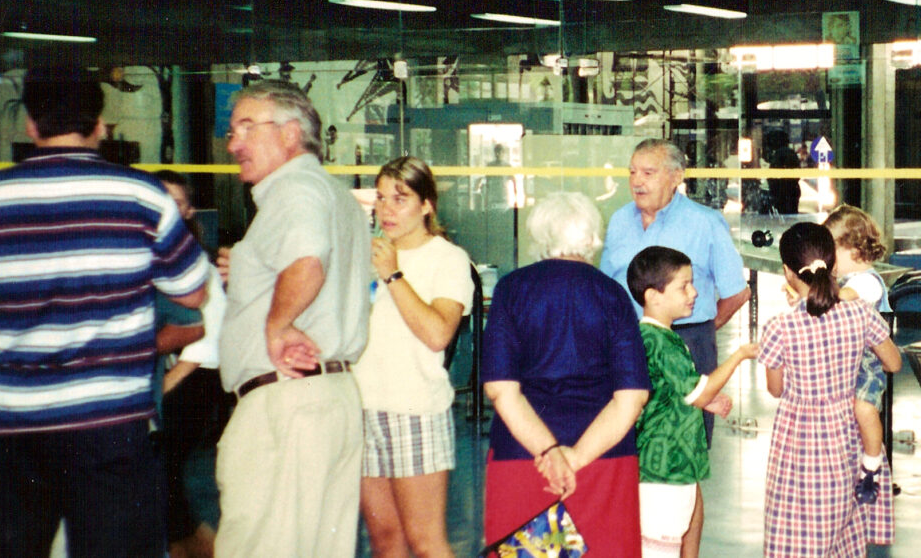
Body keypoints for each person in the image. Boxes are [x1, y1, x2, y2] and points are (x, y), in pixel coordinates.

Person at [0, 67, 210, 558]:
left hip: (10, 427)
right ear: (99, 125)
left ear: (30, 124)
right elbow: (193, 293)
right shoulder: (142, 195)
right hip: (110, 426)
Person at [214, 80, 371, 556]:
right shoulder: (333, 195)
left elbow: (307, 263)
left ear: (289, 134)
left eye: (247, 128)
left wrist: (277, 326)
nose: (234, 144)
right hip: (330, 399)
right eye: (232, 131)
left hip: (284, 405)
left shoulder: (293, 189)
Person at [600, 138, 750, 557]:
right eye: (632, 172)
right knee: (630, 448)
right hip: (627, 344)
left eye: (648, 173)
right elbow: (606, 288)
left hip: (687, 341)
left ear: (676, 177)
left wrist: (697, 331)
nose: (637, 181)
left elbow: (736, 292)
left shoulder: (705, 223)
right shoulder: (619, 221)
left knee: (684, 463)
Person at [481, 192, 650, 556]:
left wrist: (550, 452)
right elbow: (632, 397)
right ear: (592, 238)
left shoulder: (511, 290)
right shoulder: (612, 294)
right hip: (602, 460)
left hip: (525, 459)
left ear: (539, 235)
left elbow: (500, 390)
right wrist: (575, 457)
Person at [354, 156, 474, 558]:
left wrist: (392, 275)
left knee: (426, 543)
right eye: (380, 198)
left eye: (399, 198)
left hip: (415, 410)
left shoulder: (448, 258)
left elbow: (438, 333)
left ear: (426, 205)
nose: (386, 209)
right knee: (385, 542)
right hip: (363, 406)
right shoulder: (368, 256)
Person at [760, 222, 901, 556]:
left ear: (788, 272)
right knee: (845, 522)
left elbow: (775, 389)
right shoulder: (860, 313)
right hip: (847, 431)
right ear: (833, 263)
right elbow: (893, 363)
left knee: (798, 520)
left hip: (800, 439)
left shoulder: (780, 326)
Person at [626, 246, 758, 558]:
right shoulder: (662, 342)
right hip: (667, 470)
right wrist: (740, 355)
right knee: (661, 548)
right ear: (653, 296)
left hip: (662, 467)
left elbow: (666, 390)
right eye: (683, 286)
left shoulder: (652, 336)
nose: (694, 292)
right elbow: (698, 391)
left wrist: (706, 402)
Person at [153, 170, 228, 558]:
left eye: (175, 202)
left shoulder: (195, 264)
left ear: (187, 212)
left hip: (194, 382)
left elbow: (207, 342)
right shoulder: (151, 261)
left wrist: (162, 387)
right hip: (171, 382)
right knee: (166, 498)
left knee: (166, 489)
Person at [822, 205, 893, 509]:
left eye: (831, 251)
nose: (827, 259)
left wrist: (811, 292)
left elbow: (842, 299)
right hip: (844, 361)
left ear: (853, 249)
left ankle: (871, 465)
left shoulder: (867, 282)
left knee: (864, 408)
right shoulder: (845, 280)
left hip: (869, 363)